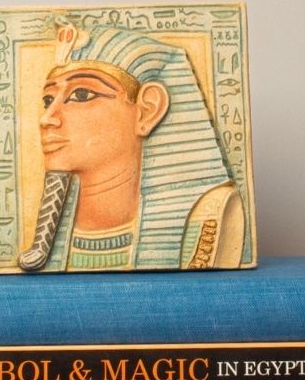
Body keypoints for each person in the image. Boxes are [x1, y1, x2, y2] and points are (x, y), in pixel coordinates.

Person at [18, 22, 245, 272]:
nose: (47, 117)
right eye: (48, 99)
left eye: (81, 95)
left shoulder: (210, 216)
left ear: (147, 110)